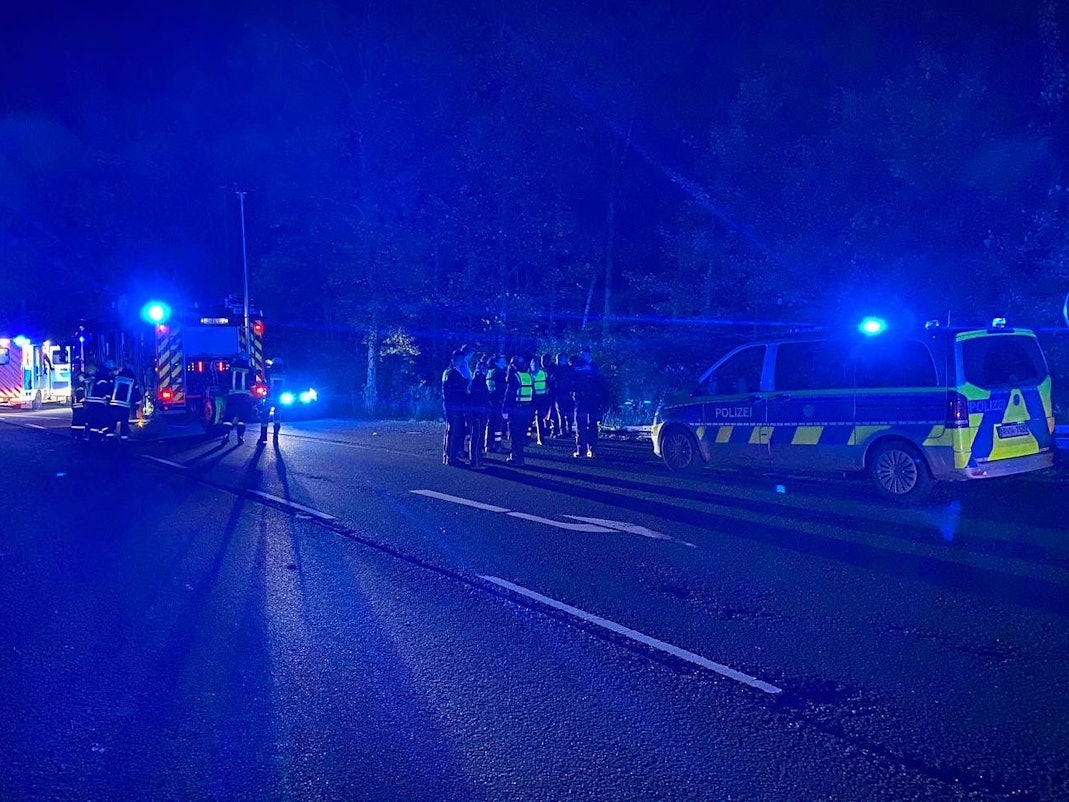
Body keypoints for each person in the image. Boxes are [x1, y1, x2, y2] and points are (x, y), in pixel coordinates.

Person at [571, 351, 605, 459]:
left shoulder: (577, 367)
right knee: (590, 425)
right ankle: (591, 450)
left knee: (583, 426)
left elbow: (572, 383)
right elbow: (601, 384)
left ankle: (582, 451)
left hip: (583, 400)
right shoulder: (594, 367)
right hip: (590, 400)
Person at [503, 355, 534, 465]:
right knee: (521, 434)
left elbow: (509, 395)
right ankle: (518, 457)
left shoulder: (514, 376)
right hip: (527, 409)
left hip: (516, 409)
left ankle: (516, 458)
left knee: (515, 435)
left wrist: (505, 410)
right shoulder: (528, 376)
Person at [441, 349, 469, 466]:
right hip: (454, 406)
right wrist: (464, 384)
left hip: (451, 406)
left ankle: (449, 456)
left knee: (451, 431)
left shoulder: (450, 372)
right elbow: (452, 390)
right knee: (455, 432)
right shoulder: (453, 373)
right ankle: (451, 457)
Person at [222, 353, 254, 444]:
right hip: (244, 398)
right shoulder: (249, 369)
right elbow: (252, 383)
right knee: (242, 419)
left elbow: (225, 380)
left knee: (228, 418)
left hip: (232, 397)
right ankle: (240, 436)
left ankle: (226, 435)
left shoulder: (231, 368)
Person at [467, 355, 492, 469]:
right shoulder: (479, 381)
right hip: (478, 413)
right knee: (477, 438)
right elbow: (479, 398)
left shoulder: (477, 380)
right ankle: (475, 462)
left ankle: (477, 461)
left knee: (477, 437)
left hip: (479, 412)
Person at [259, 357, 287, 443]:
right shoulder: (284, 374)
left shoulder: (268, 373)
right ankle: (275, 436)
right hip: (279, 400)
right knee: (277, 418)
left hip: (269, 399)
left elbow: (264, 382)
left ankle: (263, 437)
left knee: (264, 419)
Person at [85, 361, 115, 441]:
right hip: (100, 405)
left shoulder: (96, 377)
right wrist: (109, 399)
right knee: (104, 421)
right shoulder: (105, 379)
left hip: (91, 405)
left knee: (94, 424)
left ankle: (94, 440)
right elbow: (108, 392)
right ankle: (107, 440)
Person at [485, 354, 508, 453]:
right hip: (498, 401)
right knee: (498, 424)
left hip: (489, 401)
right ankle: (497, 445)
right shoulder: (500, 373)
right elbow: (502, 389)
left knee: (490, 423)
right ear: (497, 362)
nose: (505, 362)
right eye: (502, 361)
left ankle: (488, 444)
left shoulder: (490, 371)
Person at [529, 356, 550, 446]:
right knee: (529, 418)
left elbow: (549, 383)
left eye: (536, 364)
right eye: (534, 364)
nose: (535, 366)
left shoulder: (543, 373)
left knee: (539, 418)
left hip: (541, 398)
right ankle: (528, 436)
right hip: (532, 399)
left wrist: (548, 391)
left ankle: (540, 438)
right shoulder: (528, 374)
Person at [553, 352, 574, 439]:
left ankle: (565, 431)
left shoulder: (559, 370)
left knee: (563, 414)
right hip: (562, 394)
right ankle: (566, 431)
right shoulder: (569, 369)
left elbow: (552, 379)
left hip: (563, 394)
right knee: (564, 414)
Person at [70, 370, 91, 440]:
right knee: (80, 421)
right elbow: (82, 396)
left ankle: (75, 435)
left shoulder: (75, 385)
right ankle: (79, 435)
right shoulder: (81, 385)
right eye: (82, 376)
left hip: (76, 406)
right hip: (80, 406)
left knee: (76, 421)